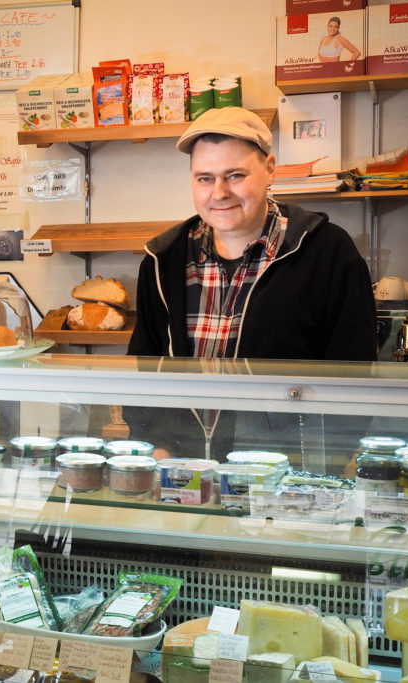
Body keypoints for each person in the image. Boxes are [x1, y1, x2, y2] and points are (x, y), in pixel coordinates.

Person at [126, 107, 377, 461]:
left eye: (235, 175)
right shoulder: (162, 260)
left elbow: (355, 377)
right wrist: (157, 448)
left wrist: (323, 466)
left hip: (283, 471)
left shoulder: (328, 253)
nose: (219, 193)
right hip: (184, 470)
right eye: (204, 178)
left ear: (270, 169)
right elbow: (143, 371)